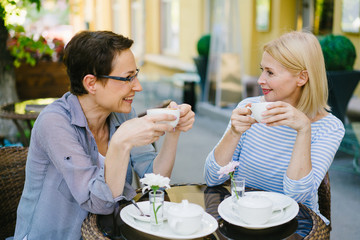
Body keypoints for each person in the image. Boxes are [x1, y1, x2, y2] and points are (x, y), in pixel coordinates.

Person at [14, 30, 195, 240]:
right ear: (91, 83)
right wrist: (120, 143)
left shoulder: (121, 114)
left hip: (105, 232)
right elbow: (99, 203)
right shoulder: (54, 123)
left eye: (135, 75)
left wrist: (172, 131)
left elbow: (155, 178)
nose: (138, 86)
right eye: (127, 78)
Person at [204, 31, 344, 231]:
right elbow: (212, 178)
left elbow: (297, 197)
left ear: (302, 77)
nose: (260, 80)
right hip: (242, 216)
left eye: (270, 72)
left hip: (295, 224)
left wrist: (303, 129)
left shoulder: (329, 127)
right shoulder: (249, 107)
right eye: (262, 70)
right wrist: (234, 133)